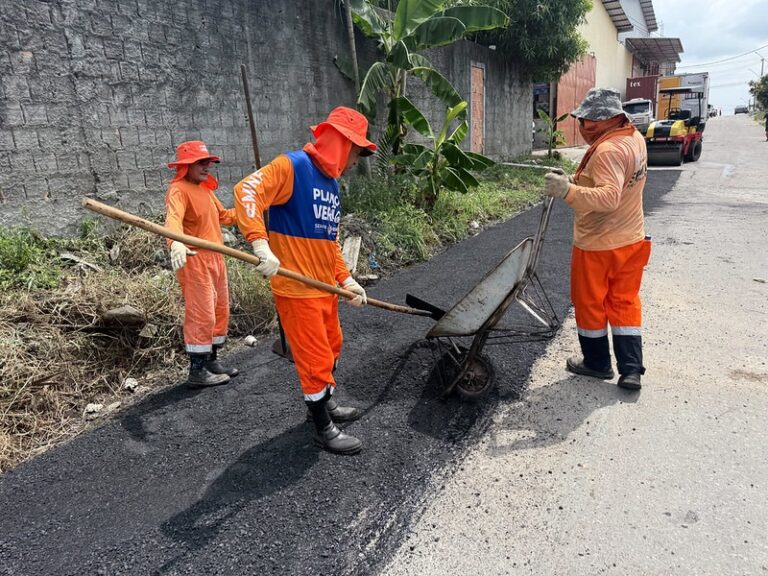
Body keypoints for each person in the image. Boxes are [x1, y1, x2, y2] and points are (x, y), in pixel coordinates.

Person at [234, 106, 375, 455]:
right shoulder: (293, 166)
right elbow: (246, 191)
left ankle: (326, 403)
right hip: (297, 290)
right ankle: (322, 428)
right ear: (341, 143)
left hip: (324, 288)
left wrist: (346, 279)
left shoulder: (332, 186)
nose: (358, 159)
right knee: (314, 359)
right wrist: (260, 243)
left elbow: (331, 243)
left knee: (332, 347)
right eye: (357, 150)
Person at [543, 88, 651, 390]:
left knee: (589, 304)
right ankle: (631, 370)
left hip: (600, 244)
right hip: (632, 239)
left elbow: (609, 197)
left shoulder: (607, 150)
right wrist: (577, 179)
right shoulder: (634, 139)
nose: (585, 126)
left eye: (593, 120)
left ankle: (596, 363)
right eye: (583, 119)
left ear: (613, 118)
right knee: (624, 302)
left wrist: (567, 191)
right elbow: (621, 181)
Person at [165, 140, 239, 388]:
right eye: (201, 162)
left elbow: (225, 217)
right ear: (186, 166)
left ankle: (211, 361)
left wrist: (252, 209)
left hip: (216, 257)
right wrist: (175, 243)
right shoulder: (179, 190)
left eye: (208, 162)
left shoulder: (206, 190)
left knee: (220, 310)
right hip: (195, 259)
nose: (207, 166)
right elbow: (173, 220)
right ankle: (196, 370)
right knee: (202, 313)